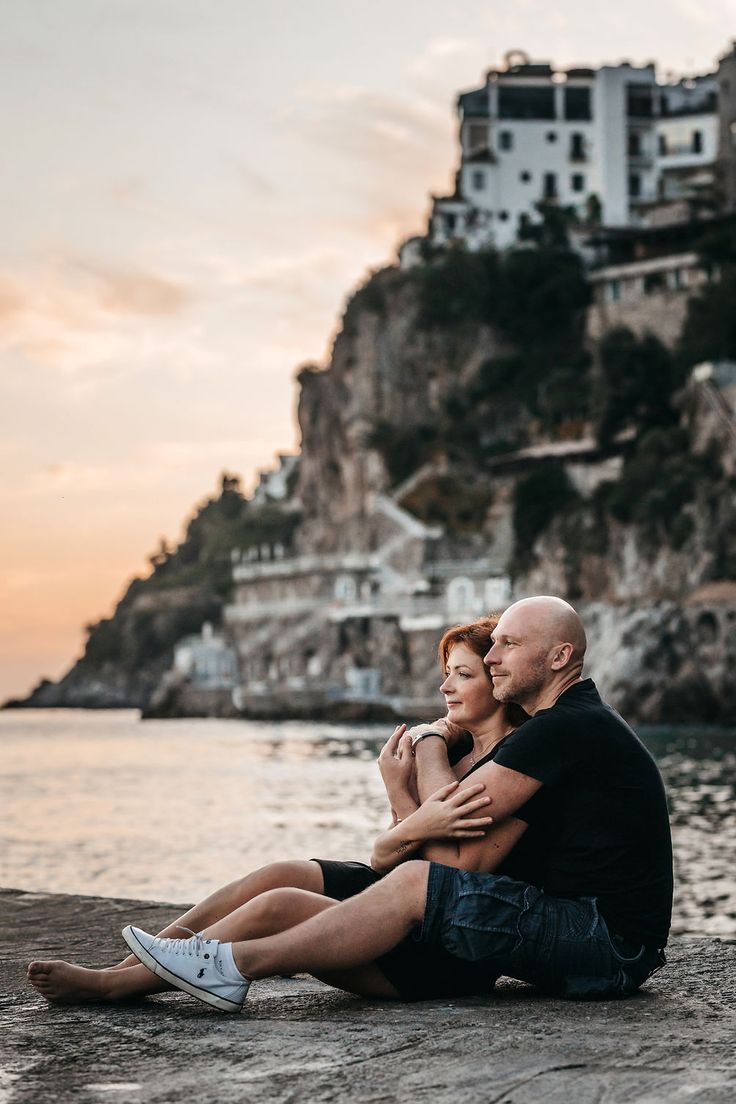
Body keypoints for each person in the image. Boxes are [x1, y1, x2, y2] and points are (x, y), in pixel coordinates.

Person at [91, 596, 673, 1011]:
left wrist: (425, 743)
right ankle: (154, 967)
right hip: (591, 934)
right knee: (294, 879)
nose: (493, 657)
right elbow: (432, 848)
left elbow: (446, 868)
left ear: (558, 657)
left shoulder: (562, 728)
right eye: (491, 646)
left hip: (608, 945)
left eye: (509, 645)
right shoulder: (557, 731)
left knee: (411, 882)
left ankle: (228, 965)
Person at [28, 617, 530, 1005]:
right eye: (446, 674)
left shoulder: (509, 767)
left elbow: (441, 878)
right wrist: (407, 789)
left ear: (499, 682)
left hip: (439, 954)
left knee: (280, 905)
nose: (444, 688)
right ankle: (124, 969)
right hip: (400, 910)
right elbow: (390, 862)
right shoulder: (452, 750)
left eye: (462, 675)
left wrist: (413, 773)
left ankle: (118, 988)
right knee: (281, 873)